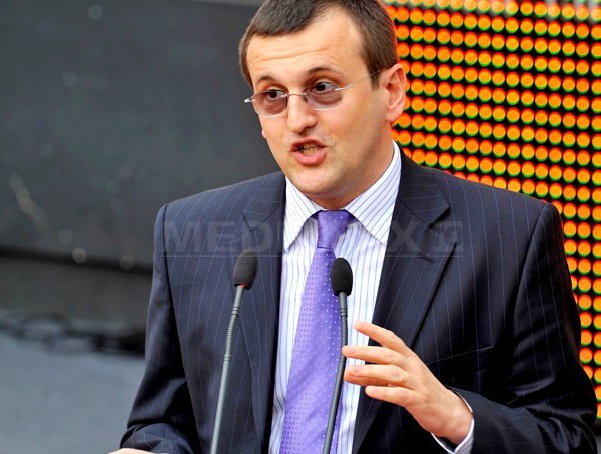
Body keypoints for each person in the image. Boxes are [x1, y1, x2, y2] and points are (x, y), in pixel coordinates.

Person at [112, 0, 596, 453]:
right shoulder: (190, 230)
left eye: (322, 88)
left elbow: (567, 435)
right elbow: (164, 423)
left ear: (392, 92)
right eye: (273, 95)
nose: (297, 120)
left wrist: (457, 417)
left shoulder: (509, 237)